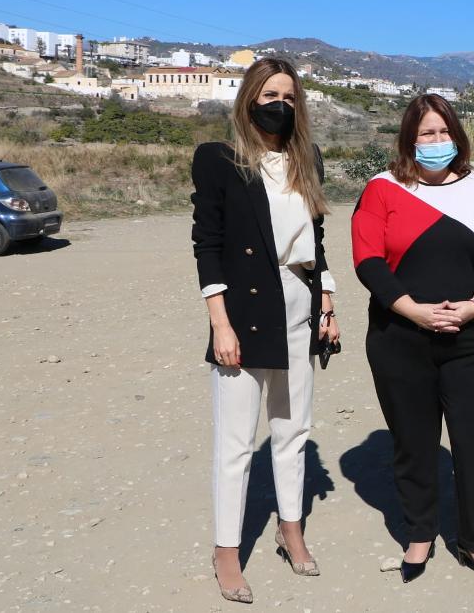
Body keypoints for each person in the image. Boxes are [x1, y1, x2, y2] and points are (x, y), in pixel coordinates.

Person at [190, 57, 341, 604]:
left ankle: (290, 529)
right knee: (235, 442)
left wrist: (327, 299)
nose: (281, 104)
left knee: (293, 429)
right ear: (249, 99)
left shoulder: (307, 159)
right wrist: (220, 324)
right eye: (270, 95)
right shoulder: (219, 160)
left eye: (290, 97)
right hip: (245, 310)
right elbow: (207, 244)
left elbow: (316, 239)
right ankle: (226, 550)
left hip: (300, 302)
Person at [351, 94, 474, 583]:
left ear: (456, 136)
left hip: (473, 338)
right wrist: (413, 312)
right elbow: (367, 260)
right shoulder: (381, 188)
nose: (437, 141)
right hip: (399, 337)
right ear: (409, 139)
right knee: (413, 442)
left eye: (444, 132)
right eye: (427, 133)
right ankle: (420, 534)